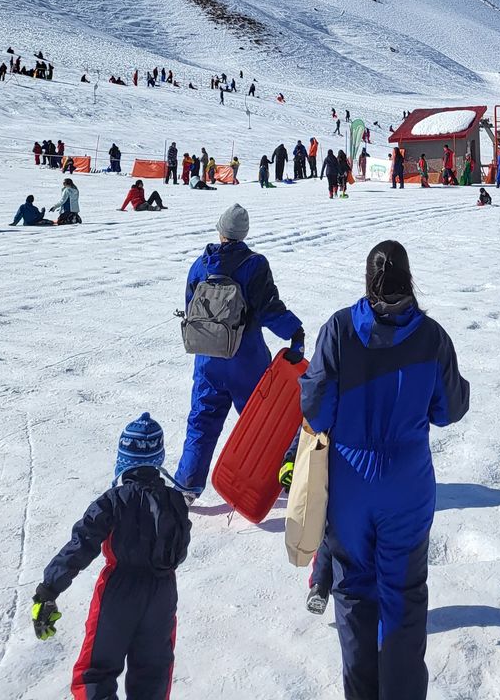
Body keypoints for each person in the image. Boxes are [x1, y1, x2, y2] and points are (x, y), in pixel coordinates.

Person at [300, 241, 469, 700]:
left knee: (354, 592)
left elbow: (315, 408)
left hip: (350, 484)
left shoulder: (338, 329)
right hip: (407, 484)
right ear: (409, 278)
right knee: (403, 597)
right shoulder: (431, 336)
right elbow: (450, 408)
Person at [31, 411, 189, 700]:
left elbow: (82, 542)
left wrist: (49, 588)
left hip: (118, 592)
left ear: (123, 460)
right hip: (163, 592)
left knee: (97, 670)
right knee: (153, 672)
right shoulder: (176, 500)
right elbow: (179, 550)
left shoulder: (113, 501)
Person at [174, 204, 304, 499]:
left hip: (208, 356)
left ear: (220, 230)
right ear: (243, 234)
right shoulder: (254, 264)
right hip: (246, 360)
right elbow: (269, 308)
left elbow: (192, 306)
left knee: (202, 420)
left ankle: (187, 484)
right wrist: (294, 332)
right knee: (261, 425)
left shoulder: (200, 265)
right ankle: (269, 479)